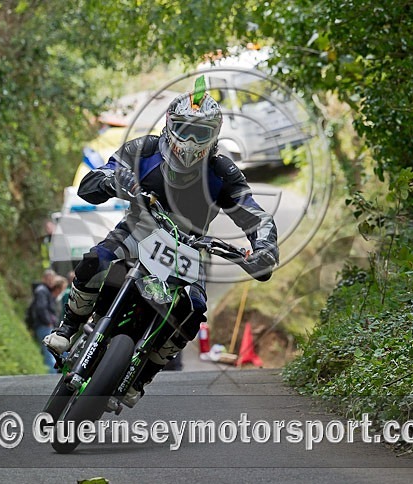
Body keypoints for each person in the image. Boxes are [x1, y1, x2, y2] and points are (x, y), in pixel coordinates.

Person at [44, 79, 279, 406]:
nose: (192, 140)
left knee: (193, 310)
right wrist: (113, 181)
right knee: (96, 260)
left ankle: (142, 377)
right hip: (138, 230)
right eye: (185, 129)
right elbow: (90, 183)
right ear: (170, 126)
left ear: (215, 136)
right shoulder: (142, 150)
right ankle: (67, 329)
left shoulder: (222, 171)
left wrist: (265, 249)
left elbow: (254, 214)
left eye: (201, 133)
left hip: (190, 249)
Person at [28, 269, 60, 374]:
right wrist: (48, 322)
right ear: (44, 279)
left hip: (44, 325)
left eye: (52, 279)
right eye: (49, 279)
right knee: (49, 352)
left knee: (49, 352)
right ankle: (51, 376)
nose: (51, 281)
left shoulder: (44, 290)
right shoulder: (42, 291)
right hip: (44, 326)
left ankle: (52, 373)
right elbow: (41, 308)